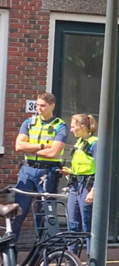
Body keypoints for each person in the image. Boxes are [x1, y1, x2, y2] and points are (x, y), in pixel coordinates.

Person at [11, 92, 68, 245]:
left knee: (45, 213)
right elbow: (18, 146)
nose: (39, 108)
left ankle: (43, 250)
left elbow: (54, 152)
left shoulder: (60, 126)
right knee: (18, 211)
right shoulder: (29, 122)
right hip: (27, 171)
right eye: (37, 105)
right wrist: (42, 146)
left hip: (46, 172)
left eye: (43, 105)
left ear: (52, 105)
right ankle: (10, 251)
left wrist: (29, 149)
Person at [61, 114, 97, 257]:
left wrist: (93, 190)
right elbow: (82, 166)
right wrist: (69, 172)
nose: (71, 130)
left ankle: (91, 259)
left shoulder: (94, 143)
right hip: (75, 186)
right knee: (73, 223)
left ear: (82, 127)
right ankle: (71, 258)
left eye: (73, 126)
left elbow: (101, 168)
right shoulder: (80, 142)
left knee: (87, 223)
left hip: (87, 187)